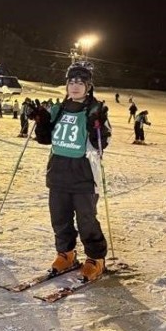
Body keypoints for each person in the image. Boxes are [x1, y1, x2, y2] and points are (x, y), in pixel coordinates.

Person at [33, 61, 111, 282]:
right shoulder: (58, 109)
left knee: (86, 220)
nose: (75, 86)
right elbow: (45, 139)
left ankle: (95, 258)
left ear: (88, 86)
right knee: (60, 218)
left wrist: (97, 125)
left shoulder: (95, 110)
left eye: (80, 82)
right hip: (58, 173)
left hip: (83, 175)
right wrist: (41, 121)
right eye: (71, 82)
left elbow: (101, 144)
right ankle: (66, 253)